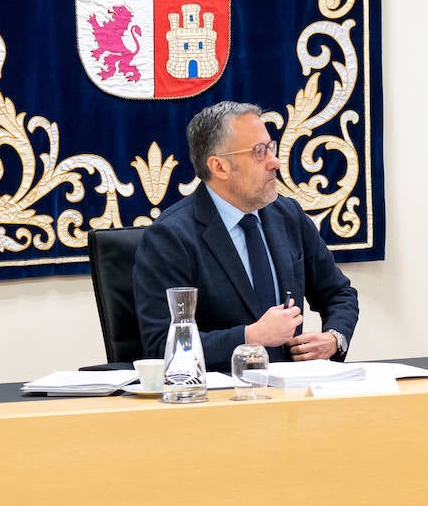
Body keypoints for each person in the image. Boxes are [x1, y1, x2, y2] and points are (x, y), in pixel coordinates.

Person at [133, 101, 359, 372]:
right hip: (217, 399)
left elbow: (339, 293)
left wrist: (334, 338)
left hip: (292, 391)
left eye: (271, 148)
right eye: (259, 152)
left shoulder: (287, 215)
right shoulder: (170, 237)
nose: (275, 162)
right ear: (219, 167)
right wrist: (249, 337)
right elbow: (161, 346)